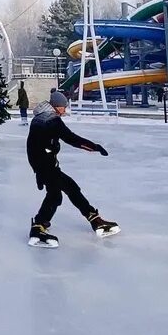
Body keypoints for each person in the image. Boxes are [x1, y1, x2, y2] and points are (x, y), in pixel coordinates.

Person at [26, 89, 118, 247]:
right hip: (46, 166)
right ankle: (38, 227)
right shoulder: (52, 120)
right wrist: (94, 147)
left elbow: (31, 147)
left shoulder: (39, 118)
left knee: (71, 188)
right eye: (63, 107)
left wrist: (37, 170)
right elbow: (71, 138)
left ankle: (94, 219)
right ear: (56, 106)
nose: (65, 110)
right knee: (56, 196)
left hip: (46, 165)